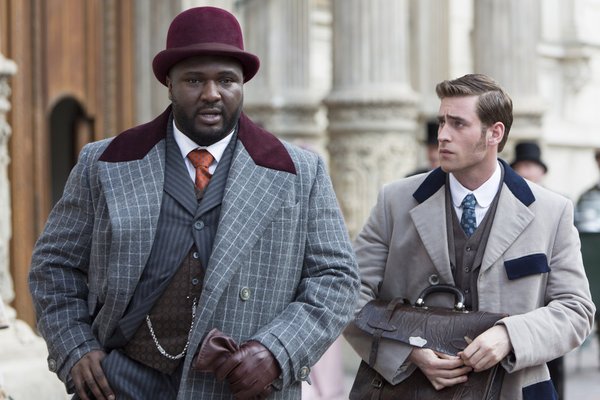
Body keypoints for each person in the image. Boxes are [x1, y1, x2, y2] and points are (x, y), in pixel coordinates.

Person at [28, 7, 360, 400]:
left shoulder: (299, 172)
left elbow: (337, 280)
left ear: (242, 85)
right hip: (122, 383)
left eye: (226, 80)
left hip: (242, 388)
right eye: (194, 80)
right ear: (168, 83)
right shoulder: (105, 163)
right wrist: (76, 348)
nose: (211, 94)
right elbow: (54, 265)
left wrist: (277, 351)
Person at [344, 73, 594, 400]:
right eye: (441, 122)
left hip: (512, 389)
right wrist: (408, 353)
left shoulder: (552, 211)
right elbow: (348, 295)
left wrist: (510, 337)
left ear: (495, 133)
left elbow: (576, 311)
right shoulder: (395, 201)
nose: (442, 136)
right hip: (406, 390)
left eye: (458, 124)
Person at [510, 141, 564, 398]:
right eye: (521, 167)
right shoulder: (507, 205)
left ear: (541, 171)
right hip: (521, 299)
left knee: (552, 365)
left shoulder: (559, 206)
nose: (527, 172)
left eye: (531, 166)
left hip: (549, 295)